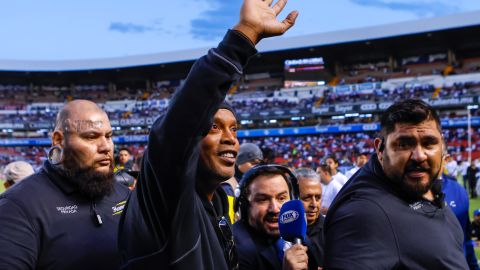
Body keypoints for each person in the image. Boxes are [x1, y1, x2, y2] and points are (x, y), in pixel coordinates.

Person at [118, 1, 299, 269]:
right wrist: (243, 36)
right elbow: (179, 125)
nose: (230, 138)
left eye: (234, 129)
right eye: (214, 127)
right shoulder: (166, 200)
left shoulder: (214, 207)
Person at [324, 99, 469, 269]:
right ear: (380, 149)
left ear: (442, 145)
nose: (419, 155)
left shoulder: (419, 186)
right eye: (404, 144)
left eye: (429, 143)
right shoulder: (364, 214)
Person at [0, 100, 130, 270]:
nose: (106, 147)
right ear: (58, 140)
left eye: (109, 136)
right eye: (91, 137)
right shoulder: (17, 207)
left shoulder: (123, 194)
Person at [233, 165, 317, 270]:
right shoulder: (235, 249)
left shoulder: (297, 232)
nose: (275, 209)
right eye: (262, 199)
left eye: (281, 198)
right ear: (245, 206)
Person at [294, 167, 325, 267]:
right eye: (306, 198)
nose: (314, 204)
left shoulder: (333, 229)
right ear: (291, 196)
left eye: (318, 198)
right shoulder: (277, 230)